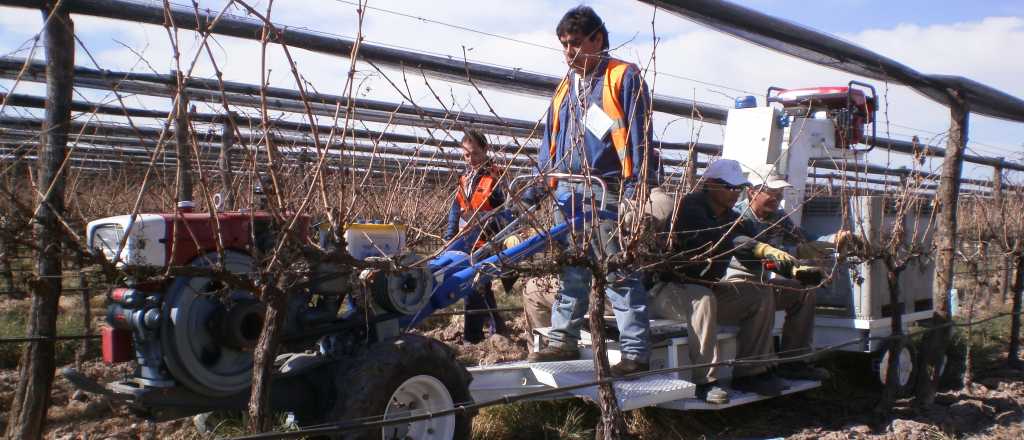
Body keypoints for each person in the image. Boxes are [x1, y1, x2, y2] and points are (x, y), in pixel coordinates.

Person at [524, 6, 659, 376]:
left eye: (576, 43)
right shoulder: (565, 88)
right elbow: (549, 141)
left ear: (597, 39)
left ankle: (635, 352)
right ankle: (562, 340)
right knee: (572, 269)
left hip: (606, 187)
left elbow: (639, 139)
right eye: (564, 44)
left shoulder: (621, 78)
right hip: (567, 189)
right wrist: (538, 187)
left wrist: (635, 191)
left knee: (616, 269)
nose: (569, 51)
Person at [665, 159, 807, 396]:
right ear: (710, 184)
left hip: (707, 285)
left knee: (759, 293)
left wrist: (794, 267)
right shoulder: (690, 207)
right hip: (671, 289)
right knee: (704, 299)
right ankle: (704, 382)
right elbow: (719, 240)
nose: (735, 193)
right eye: (729, 187)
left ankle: (752, 372)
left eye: (737, 187)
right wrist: (756, 247)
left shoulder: (730, 216)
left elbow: (753, 247)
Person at [726, 164, 842, 381]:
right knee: (765, 292)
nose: (777, 198)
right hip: (736, 284)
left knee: (804, 292)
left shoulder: (777, 218)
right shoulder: (738, 219)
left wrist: (834, 240)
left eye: (779, 193)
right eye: (771, 192)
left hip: (764, 280)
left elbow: (805, 239)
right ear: (752, 191)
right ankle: (755, 369)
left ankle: (794, 361)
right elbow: (755, 261)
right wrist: (805, 271)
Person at [444, 129, 508, 343]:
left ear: (485, 150)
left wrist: (494, 231)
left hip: (487, 238)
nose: (471, 159)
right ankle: (497, 328)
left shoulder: (495, 176)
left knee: (474, 283)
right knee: (480, 284)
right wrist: (449, 235)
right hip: (467, 238)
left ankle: (473, 336)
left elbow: (504, 211)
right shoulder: (465, 178)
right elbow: (455, 207)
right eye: (466, 155)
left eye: (475, 154)